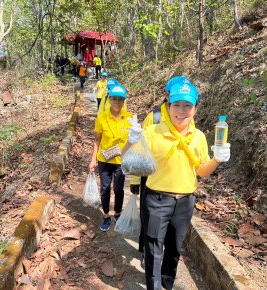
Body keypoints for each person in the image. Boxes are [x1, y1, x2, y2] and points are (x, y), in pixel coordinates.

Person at [123, 81, 231, 290]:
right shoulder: (153, 132)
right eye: (176, 105)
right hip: (156, 199)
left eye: (187, 106)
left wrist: (217, 160)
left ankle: (167, 284)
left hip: (185, 202)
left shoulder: (198, 137)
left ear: (195, 109)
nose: (181, 111)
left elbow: (201, 172)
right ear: (168, 106)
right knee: (153, 247)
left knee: (174, 248)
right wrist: (130, 141)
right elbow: (127, 162)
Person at [130, 76, 195, 265]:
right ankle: (146, 251)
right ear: (167, 96)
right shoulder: (154, 117)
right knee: (148, 216)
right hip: (151, 176)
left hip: (175, 181)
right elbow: (139, 150)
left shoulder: (187, 119)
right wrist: (135, 181)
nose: (180, 108)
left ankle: (161, 254)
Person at [89, 84, 133, 232]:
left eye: (120, 99)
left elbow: (135, 141)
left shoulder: (130, 118)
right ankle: (106, 216)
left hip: (121, 160)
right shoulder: (102, 118)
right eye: (114, 99)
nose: (117, 102)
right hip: (104, 159)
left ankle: (118, 214)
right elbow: (97, 140)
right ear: (109, 99)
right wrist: (93, 159)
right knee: (105, 188)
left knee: (119, 189)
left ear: (124, 101)